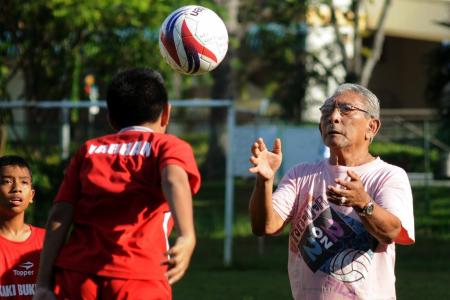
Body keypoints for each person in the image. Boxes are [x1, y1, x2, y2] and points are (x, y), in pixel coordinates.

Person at [34, 68, 201, 300]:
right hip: (138, 277)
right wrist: (187, 235)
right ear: (166, 113)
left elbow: (60, 214)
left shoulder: (89, 149)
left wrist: (42, 283)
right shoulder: (167, 146)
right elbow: (173, 179)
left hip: (78, 276)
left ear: (111, 117)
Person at [248, 83, 415, 299]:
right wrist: (264, 181)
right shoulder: (301, 175)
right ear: (320, 127)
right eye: (327, 110)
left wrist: (363, 203)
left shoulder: (388, 176)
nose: (334, 117)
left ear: (371, 127)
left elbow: (392, 232)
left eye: (346, 109)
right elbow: (264, 226)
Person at [0, 155, 46, 299]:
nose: (16, 188)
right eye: (7, 181)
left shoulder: (48, 241)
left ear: (32, 195)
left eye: (24, 182)